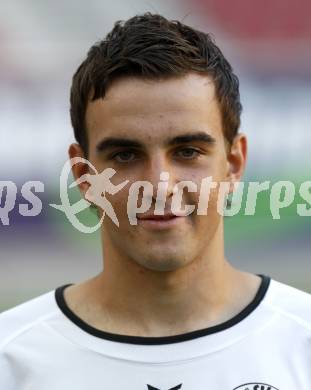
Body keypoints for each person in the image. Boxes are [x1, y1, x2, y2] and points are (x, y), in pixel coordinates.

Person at [0, 13, 310, 390]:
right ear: (84, 176)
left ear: (233, 164)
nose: (160, 185)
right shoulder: (12, 360)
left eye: (188, 151)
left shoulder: (302, 342)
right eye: (126, 156)